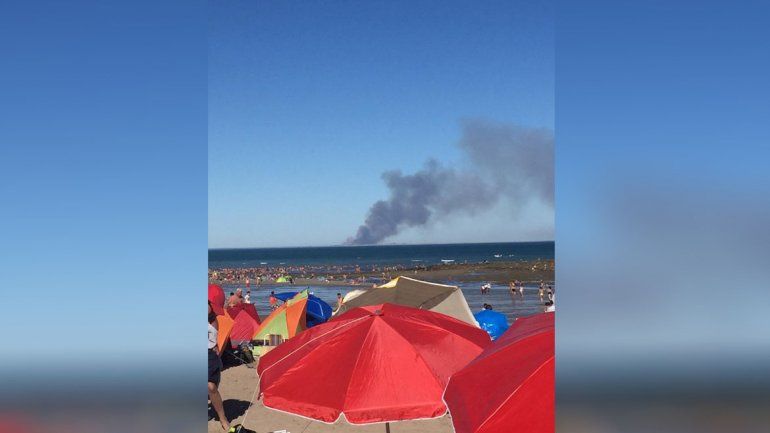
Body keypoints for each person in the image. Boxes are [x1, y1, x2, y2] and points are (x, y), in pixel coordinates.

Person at [208, 302, 230, 432]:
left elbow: (213, 340)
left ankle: (223, 418)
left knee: (211, 387)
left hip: (209, 355)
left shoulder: (213, 320)